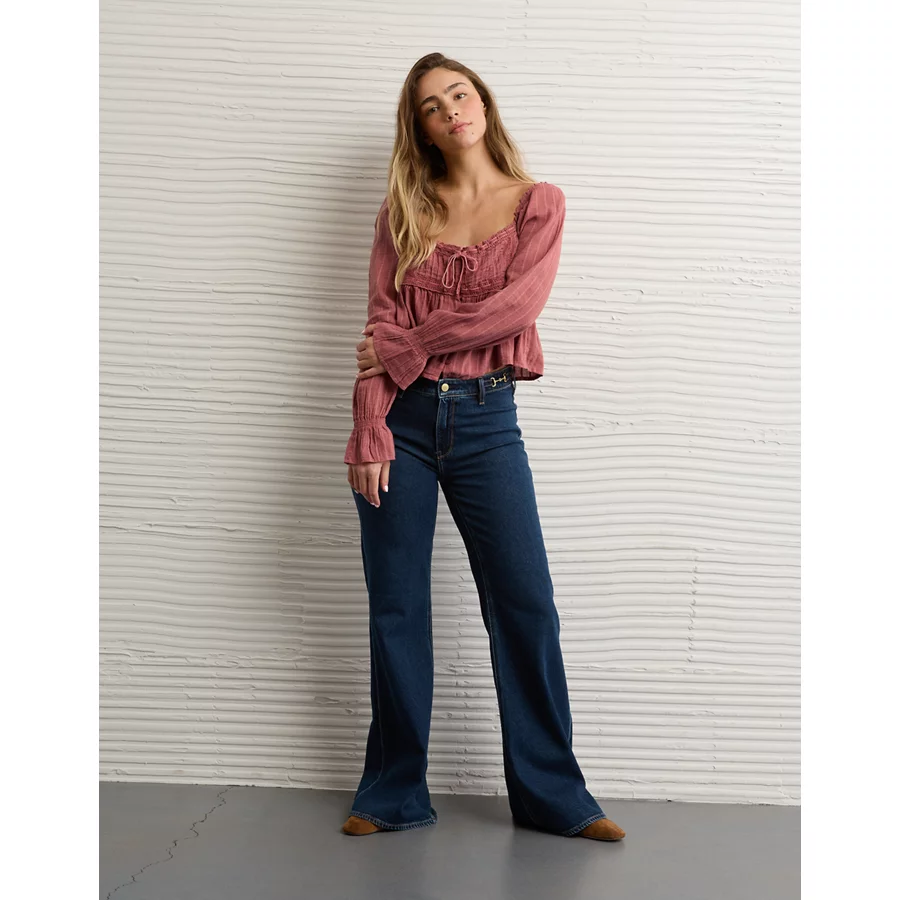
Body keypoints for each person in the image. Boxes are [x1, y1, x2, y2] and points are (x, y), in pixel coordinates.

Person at [341, 52, 626, 843]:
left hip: (486, 420)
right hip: (399, 423)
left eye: (458, 94)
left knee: (525, 603)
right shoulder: (402, 212)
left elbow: (513, 309)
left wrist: (409, 345)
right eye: (431, 108)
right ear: (423, 130)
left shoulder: (537, 204)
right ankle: (392, 792)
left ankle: (554, 796)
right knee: (397, 606)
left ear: (484, 102)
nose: (450, 112)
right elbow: (377, 328)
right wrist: (368, 426)